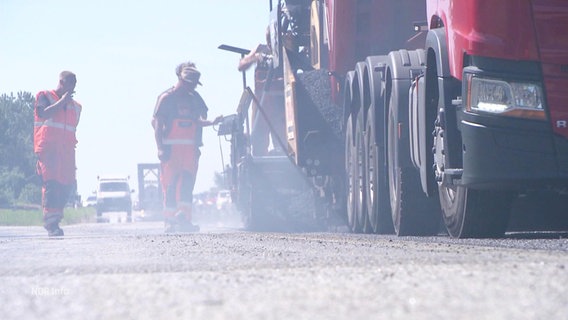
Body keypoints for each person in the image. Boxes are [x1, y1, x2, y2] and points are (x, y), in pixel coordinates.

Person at [152, 62, 222, 233]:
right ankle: (170, 221)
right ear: (181, 80)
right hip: (171, 150)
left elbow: (198, 120)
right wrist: (160, 148)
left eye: (193, 85)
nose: (191, 87)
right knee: (170, 185)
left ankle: (184, 219)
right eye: (189, 83)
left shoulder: (194, 99)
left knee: (187, 185)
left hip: (190, 151)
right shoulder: (166, 98)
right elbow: (157, 124)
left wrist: (212, 122)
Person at [33, 71, 81, 237]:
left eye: (74, 86)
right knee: (52, 185)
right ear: (61, 82)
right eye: (69, 85)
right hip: (48, 150)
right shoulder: (44, 96)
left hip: (67, 153)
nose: (71, 89)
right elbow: (43, 113)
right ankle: (51, 224)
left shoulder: (76, 107)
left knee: (66, 186)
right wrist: (62, 101)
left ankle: (55, 219)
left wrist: (66, 102)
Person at [238, 27, 286, 156]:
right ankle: (259, 170)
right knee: (258, 143)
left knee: (284, 144)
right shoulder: (261, 53)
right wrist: (254, 57)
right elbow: (241, 65)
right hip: (261, 106)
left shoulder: (285, 54)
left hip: (281, 106)